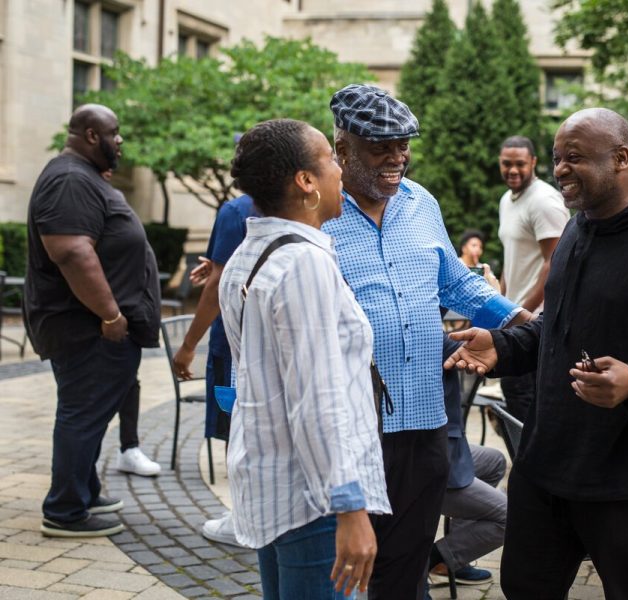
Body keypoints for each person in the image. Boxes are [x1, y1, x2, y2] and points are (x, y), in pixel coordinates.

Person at [444, 108, 628, 600]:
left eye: (573, 157)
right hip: (548, 461)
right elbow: (555, 333)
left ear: (621, 159)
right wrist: (501, 346)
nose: (558, 169)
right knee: (524, 586)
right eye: (556, 158)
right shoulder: (576, 233)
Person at [323, 84, 529, 600]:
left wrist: (519, 318)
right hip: (355, 426)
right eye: (381, 148)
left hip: (424, 417)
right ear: (342, 148)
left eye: (404, 146)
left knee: (409, 563)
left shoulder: (420, 203)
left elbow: (455, 283)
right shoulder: (318, 213)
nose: (397, 159)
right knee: (351, 565)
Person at [217, 118, 390, 599]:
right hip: (313, 501)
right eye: (331, 160)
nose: (341, 170)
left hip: (275, 482)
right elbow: (318, 398)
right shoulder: (304, 264)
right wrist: (350, 508)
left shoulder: (248, 255)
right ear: (306, 182)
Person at [25, 104, 161, 537]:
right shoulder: (69, 179)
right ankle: (65, 511)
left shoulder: (81, 177)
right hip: (88, 327)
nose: (119, 141)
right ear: (89, 135)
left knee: (90, 412)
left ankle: (83, 489)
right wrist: (110, 314)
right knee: (83, 414)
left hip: (96, 328)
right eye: (113, 133)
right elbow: (71, 251)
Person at [172, 192, 256, 545]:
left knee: (235, 426)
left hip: (234, 343)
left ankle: (242, 519)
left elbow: (217, 286)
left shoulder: (237, 209)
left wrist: (188, 346)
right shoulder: (307, 201)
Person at [497, 135, 569, 421]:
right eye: (506, 164)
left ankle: (534, 465)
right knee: (514, 397)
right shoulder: (508, 199)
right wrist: (499, 305)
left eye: (520, 164)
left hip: (535, 322)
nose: (513, 170)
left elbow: (556, 263)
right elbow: (511, 259)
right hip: (512, 317)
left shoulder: (543, 201)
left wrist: (521, 312)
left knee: (527, 402)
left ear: (534, 163)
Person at [427, 333, 506, 592]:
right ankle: (433, 560)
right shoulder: (426, 335)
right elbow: (493, 340)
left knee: (494, 461)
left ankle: (453, 561)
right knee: (510, 517)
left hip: (448, 444)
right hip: (429, 458)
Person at [99, 169, 161, 478]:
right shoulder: (88, 200)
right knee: (96, 397)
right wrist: (111, 314)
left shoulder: (112, 199)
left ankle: (129, 447)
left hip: (130, 316)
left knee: (129, 384)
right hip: (111, 319)